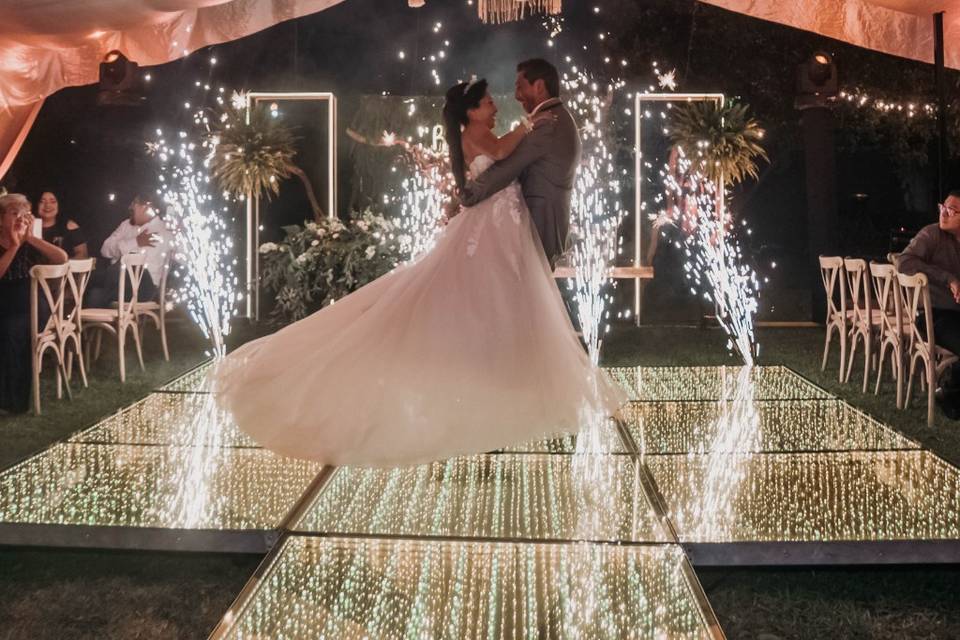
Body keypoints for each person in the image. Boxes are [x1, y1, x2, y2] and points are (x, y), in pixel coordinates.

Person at [212, 77, 626, 467]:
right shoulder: (479, 135)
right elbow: (501, 154)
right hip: (489, 228)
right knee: (483, 294)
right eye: (486, 102)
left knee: (496, 296)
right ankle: (488, 371)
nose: (495, 105)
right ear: (471, 112)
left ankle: (499, 368)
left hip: (501, 224)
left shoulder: (476, 133)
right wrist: (528, 127)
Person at [459, 58, 580, 269]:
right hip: (537, 227)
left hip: (538, 227)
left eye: (520, 87)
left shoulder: (548, 124)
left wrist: (468, 195)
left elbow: (506, 168)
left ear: (539, 86)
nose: (516, 96)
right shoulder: (558, 118)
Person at [0, 194, 68, 414]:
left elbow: (61, 258)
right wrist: (12, 246)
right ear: (1, 218)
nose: (20, 218)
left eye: (25, 214)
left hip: (31, 304)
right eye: (14, 213)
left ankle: (13, 401)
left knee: (12, 330)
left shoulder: (30, 244)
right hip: (5, 302)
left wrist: (28, 239)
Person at [897, 189, 960, 417]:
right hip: (934, 315)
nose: (944, 213)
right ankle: (949, 394)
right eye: (942, 207)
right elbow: (903, 262)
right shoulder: (931, 234)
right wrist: (948, 278)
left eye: (951, 210)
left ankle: (948, 390)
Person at [85, 194, 172, 309]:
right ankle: (84, 281)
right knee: (95, 295)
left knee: (127, 265)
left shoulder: (164, 230)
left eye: (134, 204)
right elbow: (104, 250)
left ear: (146, 206)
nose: (130, 207)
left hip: (144, 286)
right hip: (116, 283)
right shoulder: (126, 225)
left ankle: (83, 279)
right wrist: (135, 241)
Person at [37, 191, 89, 259]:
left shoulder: (70, 226)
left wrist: (63, 266)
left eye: (53, 201)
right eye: (42, 201)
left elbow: (83, 254)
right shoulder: (27, 226)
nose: (47, 205)